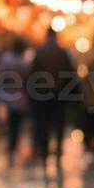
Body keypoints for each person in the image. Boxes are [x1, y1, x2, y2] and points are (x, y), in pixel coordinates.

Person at [29, 34, 74, 164]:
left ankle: (44, 151)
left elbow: (33, 73)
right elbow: (70, 73)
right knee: (59, 123)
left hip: (43, 94)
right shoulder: (62, 52)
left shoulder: (39, 51)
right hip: (59, 94)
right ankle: (58, 150)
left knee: (44, 123)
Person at [0, 37, 32, 166]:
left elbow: (0, 77)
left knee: (11, 126)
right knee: (17, 126)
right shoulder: (25, 61)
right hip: (21, 98)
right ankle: (13, 147)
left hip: (7, 97)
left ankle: (11, 148)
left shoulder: (5, 59)